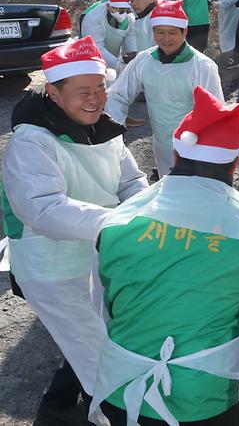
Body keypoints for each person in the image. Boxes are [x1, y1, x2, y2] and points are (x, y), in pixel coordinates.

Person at [90, 86, 239, 426]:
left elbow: (102, 303)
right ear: (234, 163)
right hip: (206, 397)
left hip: (122, 388)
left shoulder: (118, 220)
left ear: (176, 156)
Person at [2, 37, 147, 421]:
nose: (96, 98)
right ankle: (113, 415)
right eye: (83, 91)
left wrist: (145, 210)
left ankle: (59, 403)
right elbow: (43, 209)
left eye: (100, 87)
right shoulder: (32, 141)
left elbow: (129, 182)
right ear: (52, 91)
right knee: (101, 357)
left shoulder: (101, 129)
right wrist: (119, 222)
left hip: (99, 256)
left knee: (99, 337)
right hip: (54, 269)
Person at [106, 0, 223, 179]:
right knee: (167, 192)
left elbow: (215, 112)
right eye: (160, 32)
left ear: (185, 32)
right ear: (153, 32)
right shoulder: (144, 61)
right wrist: (114, 129)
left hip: (195, 147)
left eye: (172, 33)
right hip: (161, 145)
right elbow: (118, 95)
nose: (166, 39)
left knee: (192, 196)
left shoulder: (202, 67)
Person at [79, 0, 136, 72]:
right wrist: (117, 65)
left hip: (113, 56)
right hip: (90, 60)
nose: (124, 13)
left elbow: (130, 36)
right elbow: (96, 47)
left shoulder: (129, 17)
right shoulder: (93, 18)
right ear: (109, 6)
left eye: (127, 10)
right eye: (120, 10)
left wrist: (133, 56)